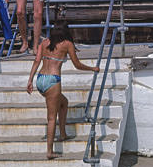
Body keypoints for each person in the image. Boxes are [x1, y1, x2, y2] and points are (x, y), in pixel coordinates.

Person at [25, 22, 99, 159]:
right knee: (52, 118)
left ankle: (63, 134)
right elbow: (77, 65)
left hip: (41, 79)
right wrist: (92, 69)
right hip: (53, 80)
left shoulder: (44, 42)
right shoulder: (67, 44)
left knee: (64, 103)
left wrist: (30, 81)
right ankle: (49, 151)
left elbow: (36, 61)